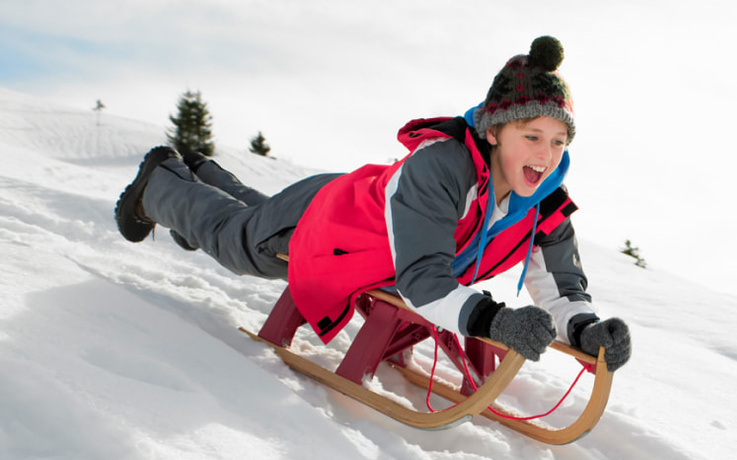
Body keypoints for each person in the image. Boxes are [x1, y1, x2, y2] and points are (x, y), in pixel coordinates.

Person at [115, 36, 631, 371]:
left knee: (249, 221)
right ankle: (159, 184)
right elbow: (425, 281)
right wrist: (494, 322)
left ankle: (205, 175)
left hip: (369, 230)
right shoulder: (442, 168)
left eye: (559, 141)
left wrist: (586, 330)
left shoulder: (545, 203)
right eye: (532, 135)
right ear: (494, 131)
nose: (546, 155)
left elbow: (560, 284)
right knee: (236, 242)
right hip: (328, 223)